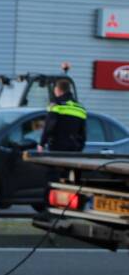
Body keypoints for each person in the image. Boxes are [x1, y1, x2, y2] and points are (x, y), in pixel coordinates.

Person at [37, 78, 86, 212]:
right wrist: (77, 148)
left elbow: (49, 127)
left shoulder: (56, 105)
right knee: (69, 181)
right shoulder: (80, 108)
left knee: (51, 179)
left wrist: (41, 143)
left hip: (56, 149)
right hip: (73, 151)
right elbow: (83, 135)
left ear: (58, 90)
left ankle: (48, 208)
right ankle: (68, 208)